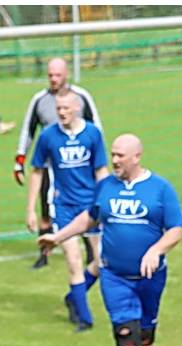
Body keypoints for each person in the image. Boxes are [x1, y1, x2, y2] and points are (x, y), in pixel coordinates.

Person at [39, 134, 182, 346]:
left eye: (120, 156)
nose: (114, 160)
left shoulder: (160, 189)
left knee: (145, 336)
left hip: (151, 278)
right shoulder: (105, 186)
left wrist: (156, 250)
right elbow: (89, 218)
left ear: (136, 157)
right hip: (114, 276)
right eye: (113, 154)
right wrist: (57, 237)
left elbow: (176, 229)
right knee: (126, 335)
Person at [26, 92, 109, 332]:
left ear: (76, 108)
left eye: (65, 108)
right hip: (63, 207)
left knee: (102, 262)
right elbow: (37, 171)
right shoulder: (48, 136)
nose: (61, 113)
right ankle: (85, 319)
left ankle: (73, 298)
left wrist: (106, 199)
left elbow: (101, 170)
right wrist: (31, 209)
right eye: (58, 108)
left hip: (90, 206)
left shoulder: (92, 134)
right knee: (74, 261)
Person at [16, 57, 102, 269]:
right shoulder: (40, 100)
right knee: (47, 209)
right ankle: (43, 254)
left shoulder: (82, 97)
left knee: (86, 208)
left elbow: (96, 129)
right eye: (50, 75)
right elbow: (28, 129)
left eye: (58, 75)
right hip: (50, 164)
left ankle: (91, 254)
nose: (54, 79)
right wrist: (20, 159)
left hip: (80, 163)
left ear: (66, 74)